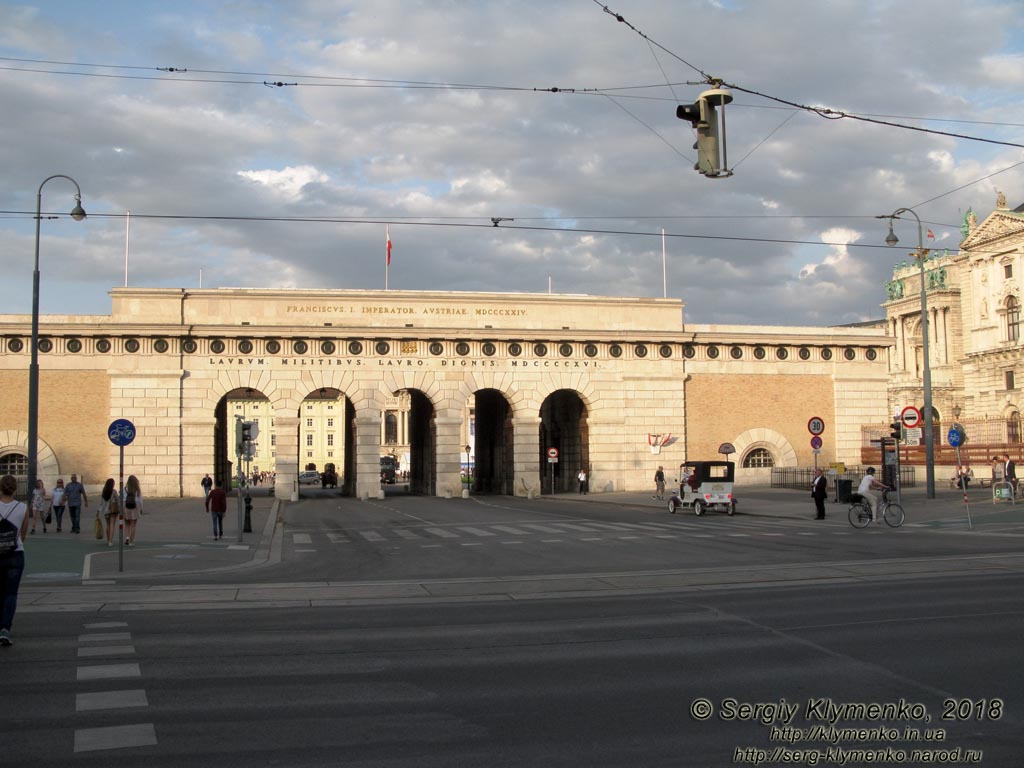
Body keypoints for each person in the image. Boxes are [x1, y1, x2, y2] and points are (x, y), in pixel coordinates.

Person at [0, 474, 30, 647]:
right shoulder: (22, 507)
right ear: (15, 489)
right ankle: (5, 629)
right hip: (15, 553)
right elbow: (23, 533)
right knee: (11, 593)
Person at [98, 478, 121, 546]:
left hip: (106, 511)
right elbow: (118, 500)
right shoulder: (114, 491)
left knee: (108, 525)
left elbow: (101, 502)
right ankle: (110, 541)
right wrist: (119, 508)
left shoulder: (104, 491)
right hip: (113, 510)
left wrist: (98, 511)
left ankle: (108, 539)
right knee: (112, 525)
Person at [122, 475, 143, 546]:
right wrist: (141, 509)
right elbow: (140, 501)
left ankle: (127, 538)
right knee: (133, 525)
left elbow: (121, 499)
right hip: (135, 507)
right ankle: (131, 541)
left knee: (127, 524)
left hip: (126, 507)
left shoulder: (124, 489)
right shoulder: (137, 491)